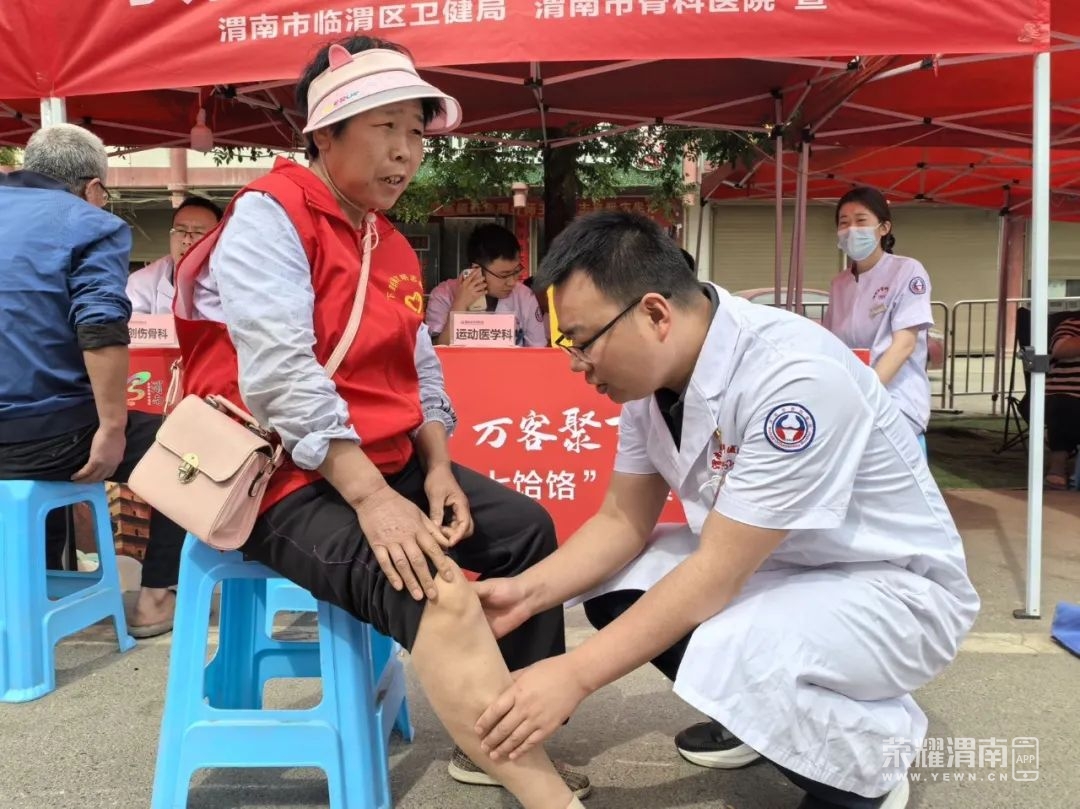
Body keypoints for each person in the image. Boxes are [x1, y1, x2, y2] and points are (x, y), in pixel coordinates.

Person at [173, 37, 588, 809]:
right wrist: (371, 497)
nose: (406, 152)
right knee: (437, 586)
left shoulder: (389, 239)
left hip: (389, 460)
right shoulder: (271, 213)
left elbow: (419, 367)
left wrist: (438, 469)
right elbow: (279, 372)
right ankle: (546, 795)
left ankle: (503, 736)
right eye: (386, 127)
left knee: (525, 530)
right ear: (325, 133)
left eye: (417, 133)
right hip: (288, 478)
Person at [469, 212, 980, 809]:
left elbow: (718, 572)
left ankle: (864, 768)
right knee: (619, 588)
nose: (576, 363)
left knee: (734, 644)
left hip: (887, 588)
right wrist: (524, 594)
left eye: (583, 341)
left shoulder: (793, 377)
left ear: (655, 314)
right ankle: (765, 723)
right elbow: (620, 523)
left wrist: (573, 675)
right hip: (782, 565)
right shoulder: (650, 384)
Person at [0, 123, 186, 637]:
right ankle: (155, 599)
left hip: (27, 434)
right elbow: (100, 324)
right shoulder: (88, 222)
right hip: (42, 437)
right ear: (94, 188)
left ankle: (34, 587)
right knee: (185, 450)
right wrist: (112, 427)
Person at [823, 187, 933, 445]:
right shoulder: (839, 283)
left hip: (896, 398)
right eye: (844, 222)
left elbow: (904, 344)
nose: (851, 229)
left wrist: (867, 393)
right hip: (851, 398)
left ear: (884, 228)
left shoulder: (907, 271)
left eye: (861, 221)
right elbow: (831, 346)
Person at [426, 223, 547, 346]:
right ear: (476, 269)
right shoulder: (443, 294)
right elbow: (436, 351)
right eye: (504, 275)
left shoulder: (524, 296)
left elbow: (538, 350)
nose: (512, 282)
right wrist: (459, 305)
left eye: (516, 271)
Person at [126, 196, 223, 314]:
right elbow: (134, 322)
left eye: (198, 232)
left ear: (217, 240)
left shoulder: (232, 280)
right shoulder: (142, 281)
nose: (187, 240)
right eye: (180, 231)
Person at [1044, 314, 1080, 489]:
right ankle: (1057, 466)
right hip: (1067, 392)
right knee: (1064, 406)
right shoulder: (1071, 324)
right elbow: (1060, 349)